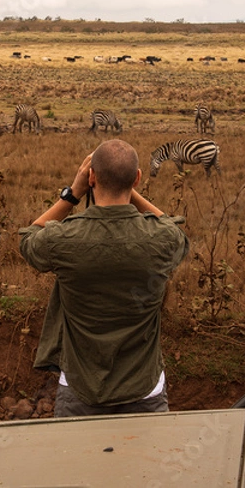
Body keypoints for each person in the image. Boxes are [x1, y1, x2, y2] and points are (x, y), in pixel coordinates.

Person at [19, 139, 189, 417]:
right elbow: (175, 231)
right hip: (145, 389)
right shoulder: (161, 239)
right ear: (137, 178)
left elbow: (29, 238)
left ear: (91, 177)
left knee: (78, 462)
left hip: (79, 388)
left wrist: (72, 194)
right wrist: (129, 192)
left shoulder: (64, 239)